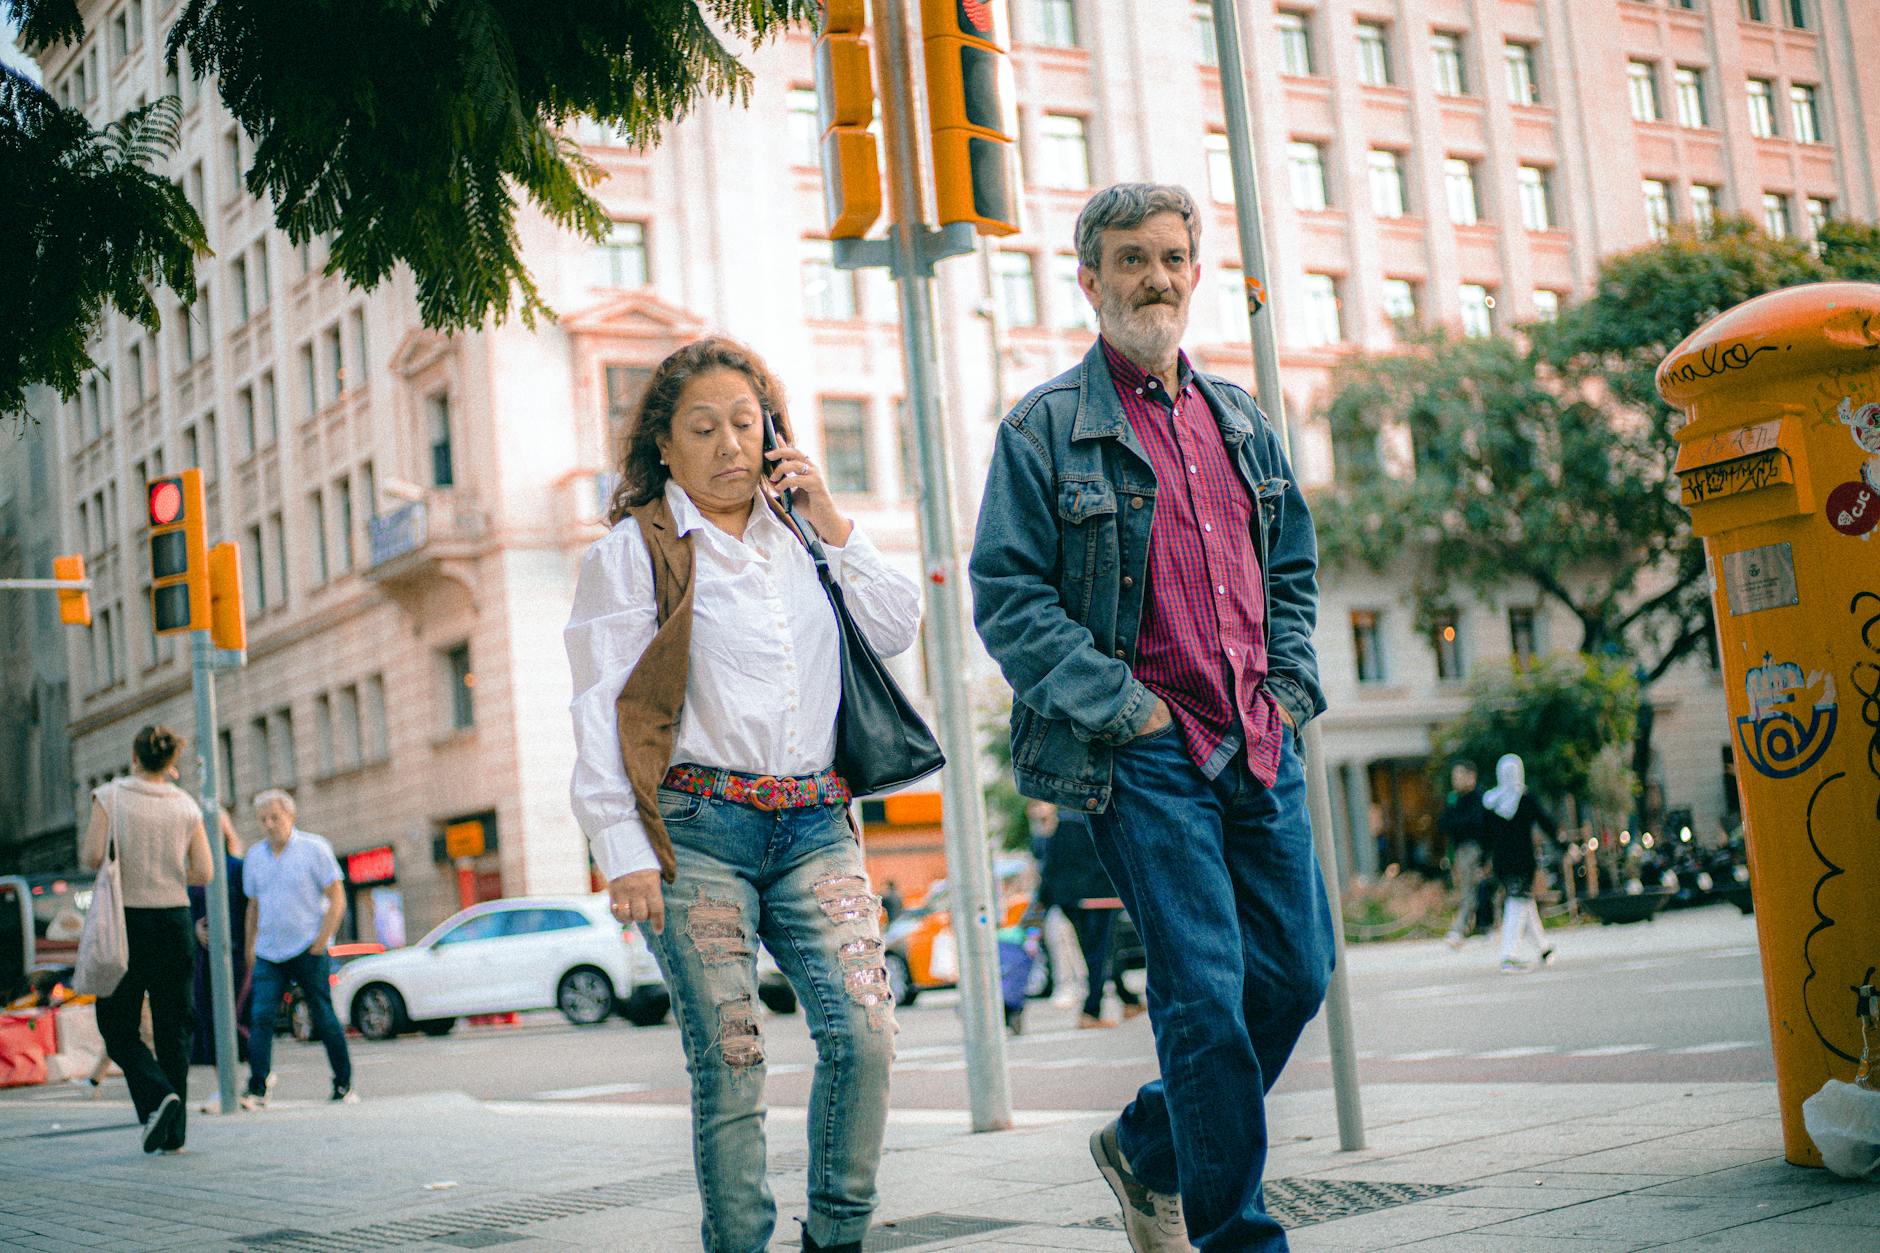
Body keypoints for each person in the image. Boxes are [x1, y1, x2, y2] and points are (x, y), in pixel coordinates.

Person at [969, 182, 1332, 1253]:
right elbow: (1008, 597)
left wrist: (1287, 690)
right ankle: (1238, 1237)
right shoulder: (1044, 429)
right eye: (1130, 259)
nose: (1154, 278)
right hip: (1146, 756)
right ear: (1089, 280)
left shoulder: (1243, 421)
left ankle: (1147, 1142)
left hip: (1256, 736)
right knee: (1204, 997)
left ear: (1195, 272)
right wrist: (1128, 713)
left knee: (1295, 976)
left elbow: (1291, 570)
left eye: (1170, 257)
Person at [566, 336, 920, 1253]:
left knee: (866, 1033)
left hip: (816, 825)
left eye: (744, 421)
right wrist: (622, 850)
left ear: (772, 430)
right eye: (702, 427)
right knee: (732, 1059)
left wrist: (832, 518)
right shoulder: (631, 552)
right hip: (698, 834)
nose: (729, 443)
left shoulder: (802, 533)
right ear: (664, 445)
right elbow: (601, 708)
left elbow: (897, 625)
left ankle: (837, 1236)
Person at [80, 725, 214, 1154]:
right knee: (175, 1029)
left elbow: (91, 856)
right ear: (171, 763)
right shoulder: (186, 805)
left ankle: (157, 1097)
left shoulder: (110, 796)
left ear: (134, 757)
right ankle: (174, 1134)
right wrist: (169, 869)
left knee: (117, 1025)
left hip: (127, 921)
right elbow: (204, 871)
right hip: (174, 920)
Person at [241, 789, 355, 1106]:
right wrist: (251, 946)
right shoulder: (255, 856)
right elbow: (253, 906)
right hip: (269, 951)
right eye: (263, 819)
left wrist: (322, 940)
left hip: (308, 948)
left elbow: (337, 897)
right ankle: (258, 1085)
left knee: (323, 1016)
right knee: (261, 1017)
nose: (269, 824)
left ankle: (343, 1084)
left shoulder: (314, 848)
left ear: (290, 816)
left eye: (274, 817)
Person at [1036, 809, 1143, 1028]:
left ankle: (1129, 1000)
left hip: (1071, 899)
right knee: (1100, 952)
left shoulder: (1061, 821)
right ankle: (1091, 1010)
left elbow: (1050, 863)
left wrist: (1044, 897)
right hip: (1100, 894)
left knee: (1101, 950)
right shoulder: (1094, 816)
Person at [1483, 754, 1559, 972]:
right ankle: (1509, 956)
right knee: (1516, 903)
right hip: (1523, 861)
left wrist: (1483, 861)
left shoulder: (1491, 802)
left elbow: (1485, 836)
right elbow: (1546, 822)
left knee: (1524, 902)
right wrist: (1564, 845)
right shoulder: (1524, 799)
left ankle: (1544, 948)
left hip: (1501, 862)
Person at [189, 807, 249, 1065]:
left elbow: (249, 910)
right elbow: (187, 908)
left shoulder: (236, 867)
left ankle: (238, 1055)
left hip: (234, 950)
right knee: (207, 1006)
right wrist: (195, 928)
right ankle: (213, 1056)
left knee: (233, 1007)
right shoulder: (194, 872)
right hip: (203, 954)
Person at [1438, 761, 1488, 948]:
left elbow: (1476, 824)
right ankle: (1474, 926)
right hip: (1460, 850)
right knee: (1468, 889)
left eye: (1459, 777)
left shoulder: (1480, 798)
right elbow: (1444, 823)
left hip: (1476, 849)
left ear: (1471, 777)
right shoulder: (1453, 800)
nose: (1456, 781)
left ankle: (1462, 928)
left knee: (1475, 889)